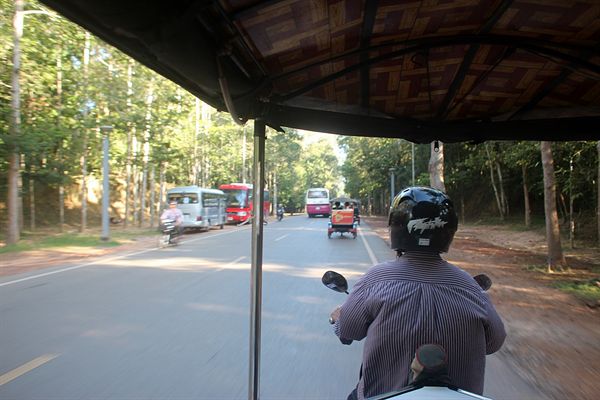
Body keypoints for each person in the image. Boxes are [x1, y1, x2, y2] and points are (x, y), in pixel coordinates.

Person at [330, 186, 506, 400]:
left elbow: (348, 329)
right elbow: (494, 342)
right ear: (449, 232)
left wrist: (339, 317)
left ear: (397, 228)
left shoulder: (376, 279)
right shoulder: (469, 286)